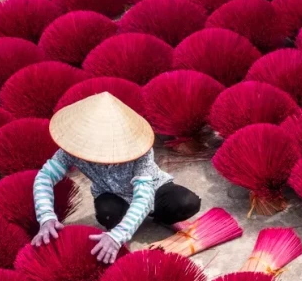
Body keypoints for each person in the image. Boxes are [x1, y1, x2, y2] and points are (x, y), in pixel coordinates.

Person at [30, 92, 201, 263]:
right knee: (107, 213)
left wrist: (118, 235)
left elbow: (144, 195)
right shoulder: (74, 149)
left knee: (186, 203)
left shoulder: (140, 150)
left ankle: (161, 218)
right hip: (113, 197)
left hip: (153, 189)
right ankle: (124, 226)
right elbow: (45, 177)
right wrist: (46, 216)